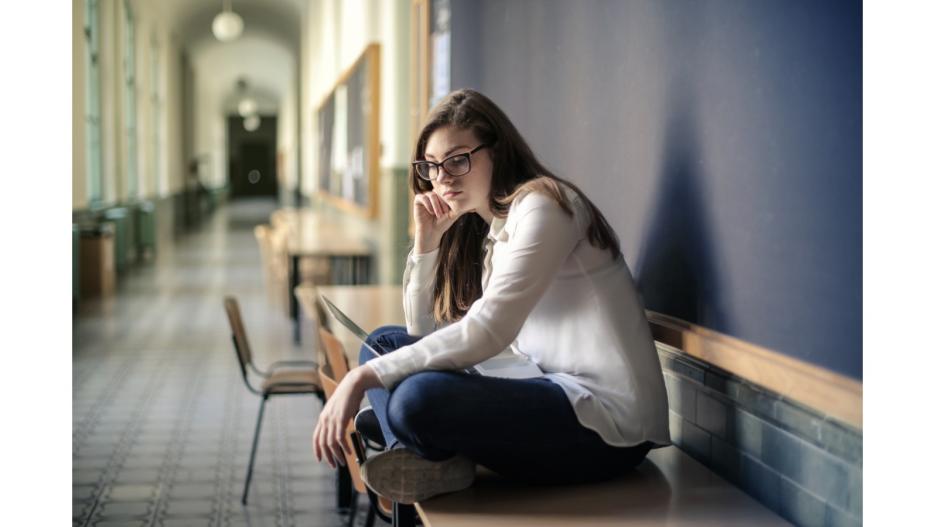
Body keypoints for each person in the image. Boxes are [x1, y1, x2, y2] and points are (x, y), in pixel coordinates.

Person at [311, 88, 671, 504]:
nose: (443, 178)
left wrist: (360, 380)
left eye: (458, 160)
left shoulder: (546, 207)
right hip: (542, 385)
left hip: (607, 426)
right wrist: (426, 245)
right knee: (382, 347)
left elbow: (489, 331)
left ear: (497, 152)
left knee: (414, 397)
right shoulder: (494, 233)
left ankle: (415, 445)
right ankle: (422, 455)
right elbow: (420, 332)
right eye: (431, 166)